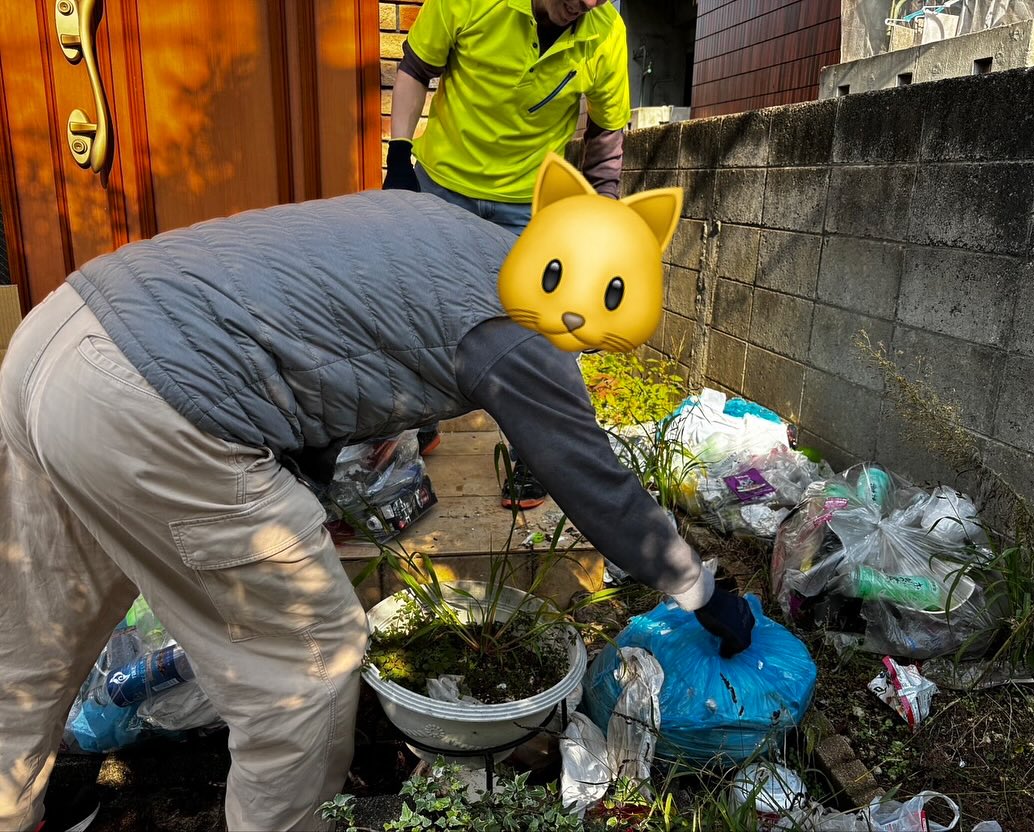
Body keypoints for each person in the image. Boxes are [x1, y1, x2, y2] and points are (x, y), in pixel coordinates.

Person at [0, 190, 754, 832]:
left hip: (56, 334)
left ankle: (12, 809)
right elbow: (595, 483)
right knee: (307, 663)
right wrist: (701, 591)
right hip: (146, 398)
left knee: (41, 626)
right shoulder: (522, 330)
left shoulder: (448, 231)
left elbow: (323, 338)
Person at [384, 0, 631, 509]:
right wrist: (399, 156)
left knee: (540, 327)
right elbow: (414, 69)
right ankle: (419, 421)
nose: (586, 3)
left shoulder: (605, 32)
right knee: (421, 311)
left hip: (527, 200)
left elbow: (607, 132)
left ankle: (532, 456)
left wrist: (603, 209)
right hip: (443, 183)